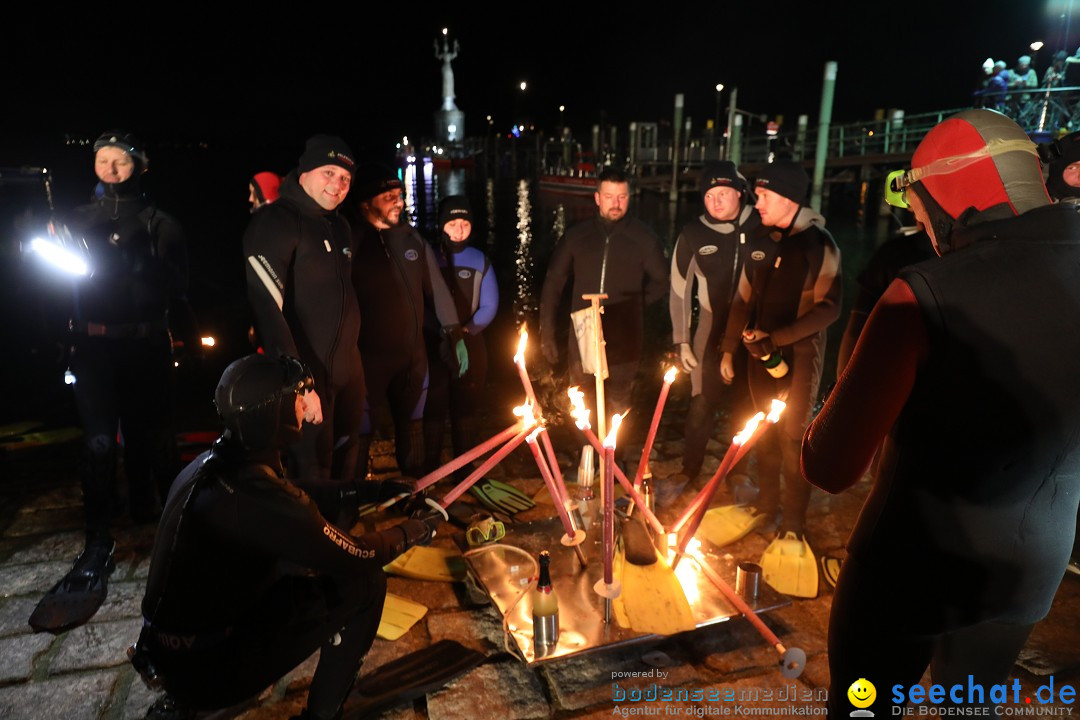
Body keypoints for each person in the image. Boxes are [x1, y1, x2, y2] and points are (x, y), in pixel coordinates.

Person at [802, 109, 1080, 715]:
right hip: (1030, 566)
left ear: (949, 192)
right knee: (969, 706)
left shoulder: (923, 293)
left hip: (908, 571)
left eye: (922, 210)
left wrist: (817, 420)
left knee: (864, 707)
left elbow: (832, 465)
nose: (922, 228)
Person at [132, 354, 441, 720]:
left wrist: (368, 491)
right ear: (271, 411)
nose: (307, 404)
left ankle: (194, 697)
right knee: (365, 583)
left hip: (171, 656)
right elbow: (356, 555)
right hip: (208, 671)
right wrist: (415, 530)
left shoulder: (215, 466)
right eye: (298, 395)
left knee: (294, 561)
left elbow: (289, 493)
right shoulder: (253, 497)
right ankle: (321, 714)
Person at [29, 130, 189, 634]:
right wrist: (54, 336)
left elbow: (178, 292)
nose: (111, 167)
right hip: (94, 347)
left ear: (140, 165)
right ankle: (98, 537)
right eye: (103, 159)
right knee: (99, 442)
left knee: (157, 438)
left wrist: (189, 341)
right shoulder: (72, 220)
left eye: (121, 159)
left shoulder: (161, 223)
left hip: (146, 345)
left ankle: (170, 525)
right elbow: (52, 287)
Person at [719, 159, 841, 595]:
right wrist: (731, 348)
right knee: (764, 436)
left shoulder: (818, 245)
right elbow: (741, 300)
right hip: (758, 357)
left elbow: (829, 309)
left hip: (799, 360)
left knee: (793, 443)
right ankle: (765, 504)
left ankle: (793, 524)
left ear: (789, 198)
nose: (757, 201)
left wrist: (777, 338)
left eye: (764, 195)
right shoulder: (761, 240)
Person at [243, 134, 363, 495]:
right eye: (328, 173)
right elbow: (266, 308)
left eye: (345, 179)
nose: (337, 185)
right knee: (311, 470)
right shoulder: (274, 222)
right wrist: (300, 381)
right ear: (305, 172)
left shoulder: (338, 224)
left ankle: (345, 536)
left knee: (348, 455)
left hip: (347, 367)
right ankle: (311, 546)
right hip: (308, 372)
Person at [348, 165, 467, 483]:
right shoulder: (353, 242)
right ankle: (350, 498)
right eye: (388, 197)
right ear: (366, 204)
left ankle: (414, 492)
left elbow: (438, 292)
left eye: (399, 195)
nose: (398, 202)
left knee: (412, 426)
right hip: (367, 360)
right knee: (360, 431)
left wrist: (453, 333)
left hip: (412, 358)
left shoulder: (413, 239)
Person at [539, 167, 668, 452]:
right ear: (597, 198)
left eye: (622, 196)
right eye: (609, 196)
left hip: (625, 329)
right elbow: (554, 282)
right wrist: (546, 330)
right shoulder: (577, 236)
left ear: (629, 197)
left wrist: (634, 305)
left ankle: (613, 457)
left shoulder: (644, 239)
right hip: (584, 325)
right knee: (581, 395)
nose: (616, 203)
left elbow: (662, 282)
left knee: (619, 398)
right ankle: (586, 455)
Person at [668, 161, 758, 491]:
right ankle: (688, 471)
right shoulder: (693, 234)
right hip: (710, 329)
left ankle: (739, 471)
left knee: (746, 404)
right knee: (702, 402)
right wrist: (682, 340)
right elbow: (679, 290)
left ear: (740, 193)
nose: (716, 201)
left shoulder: (762, 223)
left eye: (723, 193)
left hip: (755, 331)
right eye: (709, 195)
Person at [422, 196, 499, 478]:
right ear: (442, 226)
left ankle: (463, 470)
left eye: (465, 223)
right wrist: (442, 333)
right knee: (433, 406)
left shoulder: (479, 259)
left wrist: (465, 332)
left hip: (470, 344)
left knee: (466, 408)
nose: (459, 229)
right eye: (452, 223)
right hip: (434, 344)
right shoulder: (428, 256)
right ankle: (428, 469)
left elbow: (490, 305)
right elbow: (417, 303)